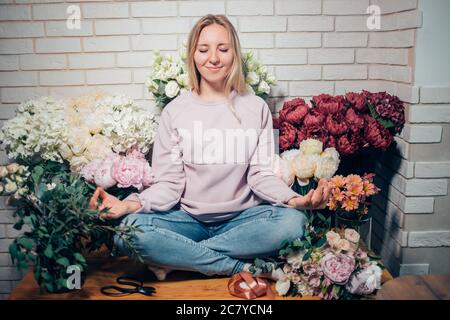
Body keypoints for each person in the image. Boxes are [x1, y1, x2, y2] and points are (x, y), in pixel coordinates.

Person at [89, 14, 331, 281]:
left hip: (245, 220)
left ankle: (178, 260)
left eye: (223, 49)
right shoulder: (175, 112)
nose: (213, 58)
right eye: (204, 50)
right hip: (186, 220)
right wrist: (129, 204)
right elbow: (169, 184)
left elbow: (261, 175)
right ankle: (241, 268)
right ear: (193, 54)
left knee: (294, 224)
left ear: (234, 54)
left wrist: (297, 200)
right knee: (128, 231)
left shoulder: (256, 108)